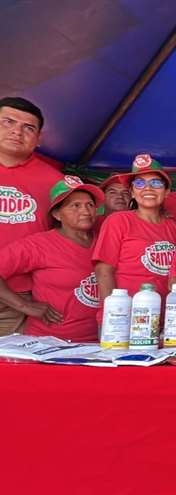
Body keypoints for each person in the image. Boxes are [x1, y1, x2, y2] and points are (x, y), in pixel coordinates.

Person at [0, 176, 104, 341]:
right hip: (50, 343)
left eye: (90, 205)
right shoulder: (38, 245)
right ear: (57, 214)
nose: (85, 211)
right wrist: (24, 306)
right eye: (75, 206)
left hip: (100, 342)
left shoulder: (105, 241)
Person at [0, 96, 63, 336]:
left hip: (19, 295)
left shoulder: (55, 182)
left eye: (28, 128)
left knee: (9, 370)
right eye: (8, 122)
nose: (17, 131)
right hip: (20, 301)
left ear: (38, 139)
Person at [93, 154, 176, 303]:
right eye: (139, 183)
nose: (148, 188)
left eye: (156, 183)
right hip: (123, 318)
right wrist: (114, 313)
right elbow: (104, 271)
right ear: (133, 192)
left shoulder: (172, 226)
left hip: (164, 318)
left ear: (167, 192)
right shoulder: (118, 221)